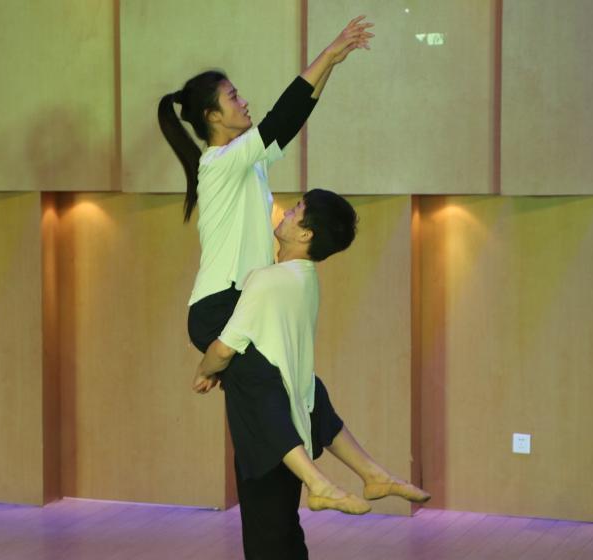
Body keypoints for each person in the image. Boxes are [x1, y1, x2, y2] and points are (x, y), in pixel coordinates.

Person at [158, 17, 428, 516]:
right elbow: (280, 118)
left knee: (303, 385)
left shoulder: (248, 163)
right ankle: (317, 483)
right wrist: (329, 53)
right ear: (212, 116)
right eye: (233, 97)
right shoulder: (220, 163)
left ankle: (371, 474)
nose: (243, 101)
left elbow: (293, 117)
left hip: (240, 305)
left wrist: (334, 66)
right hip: (218, 307)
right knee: (268, 386)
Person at [191, 190, 376, 560]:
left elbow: (224, 347)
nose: (286, 212)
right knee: (286, 537)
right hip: (293, 421)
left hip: (267, 437)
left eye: (295, 211)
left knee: (265, 546)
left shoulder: (268, 280)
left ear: (306, 233)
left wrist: (204, 369)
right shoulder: (305, 279)